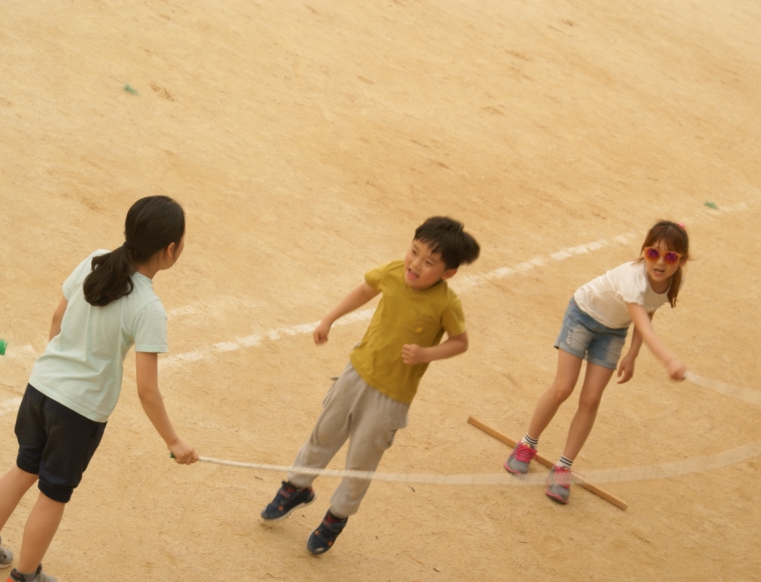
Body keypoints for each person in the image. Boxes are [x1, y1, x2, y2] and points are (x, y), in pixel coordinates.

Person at [0, 195, 199, 582]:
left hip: (41, 388)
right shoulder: (149, 307)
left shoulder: (97, 259)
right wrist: (174, 441)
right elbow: (147, 389)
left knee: (23, 468)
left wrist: (56, 366)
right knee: (53, 493)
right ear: (170, 250)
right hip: (78, 413)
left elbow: (57, 318)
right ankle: (24, 579)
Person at [261, 216, 480, 554]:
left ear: (448, 273)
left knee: (361, 461)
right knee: (324, 433)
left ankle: (336, 517)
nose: (416, 264)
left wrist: (426, 353)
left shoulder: (446, 304)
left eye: (429, 262)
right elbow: (364, 290)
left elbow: (460, 342)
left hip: (391, 397)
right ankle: (297, 487)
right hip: (356, 373)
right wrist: (329, 319)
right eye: (414, 251)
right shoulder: (394, 272)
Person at [504, 220, 690, 503]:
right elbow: (641, 319)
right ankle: (526, 445)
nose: (661, 262)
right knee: (563, 387)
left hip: (613, 331)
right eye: (653, 253)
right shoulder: (633, 277)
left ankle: (563, 466)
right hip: (583, 314)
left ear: (681, 261)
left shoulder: (671, 282)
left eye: (670, 257)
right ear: (644, 252)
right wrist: (669, 360)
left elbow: (648, 312)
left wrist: (632, 354)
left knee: (591, 399)